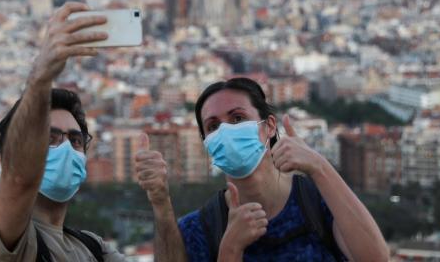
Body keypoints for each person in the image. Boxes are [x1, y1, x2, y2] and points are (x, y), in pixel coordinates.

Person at [135, 77, 389, 261]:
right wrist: (230, 251)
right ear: (206, 144)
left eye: (238, 118)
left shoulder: (318, 203)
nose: (226, 131)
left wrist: (319, 166)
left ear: (269, 126)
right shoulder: (200, 229)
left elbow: (375, 258)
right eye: (213, 126)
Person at [0, 2, 126, 261]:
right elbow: (19, 180)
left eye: (75, 140)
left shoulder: (93, 249)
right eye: (49, 138)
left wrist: (161, 204)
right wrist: (40, 77)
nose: (65, 148)